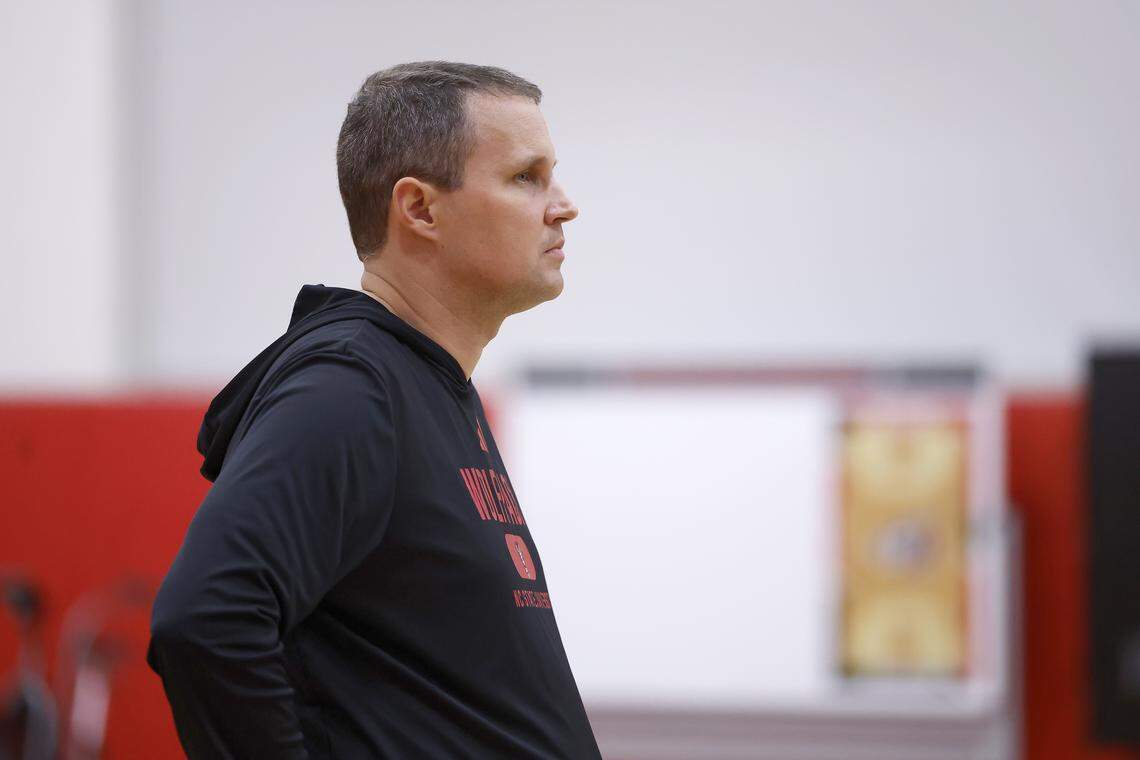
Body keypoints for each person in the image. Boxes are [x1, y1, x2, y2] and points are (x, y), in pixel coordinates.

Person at [146, 61, 599, 759]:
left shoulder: (428, 385)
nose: (562, 205)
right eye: (525, 177)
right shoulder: (351, 387)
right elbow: (205, 618)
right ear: (419, 209)